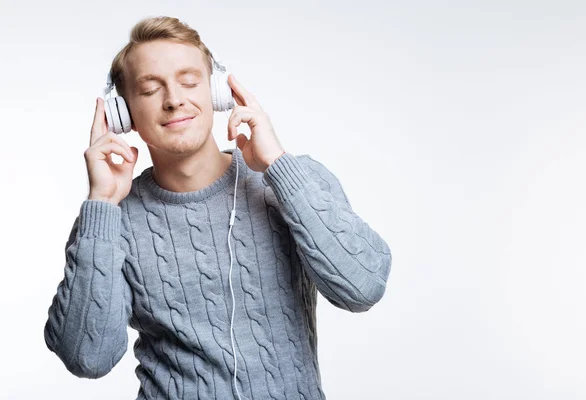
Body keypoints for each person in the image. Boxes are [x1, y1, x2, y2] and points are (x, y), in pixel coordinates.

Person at [44, 16, 392, 400]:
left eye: (190, 82)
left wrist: (277, 163)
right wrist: (102, 205)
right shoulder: (109, 218)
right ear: (123, 115)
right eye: (149, 89)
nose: (174, 99)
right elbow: (86, 358)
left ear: (217, 93)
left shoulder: (293, 180)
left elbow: (362, 289)